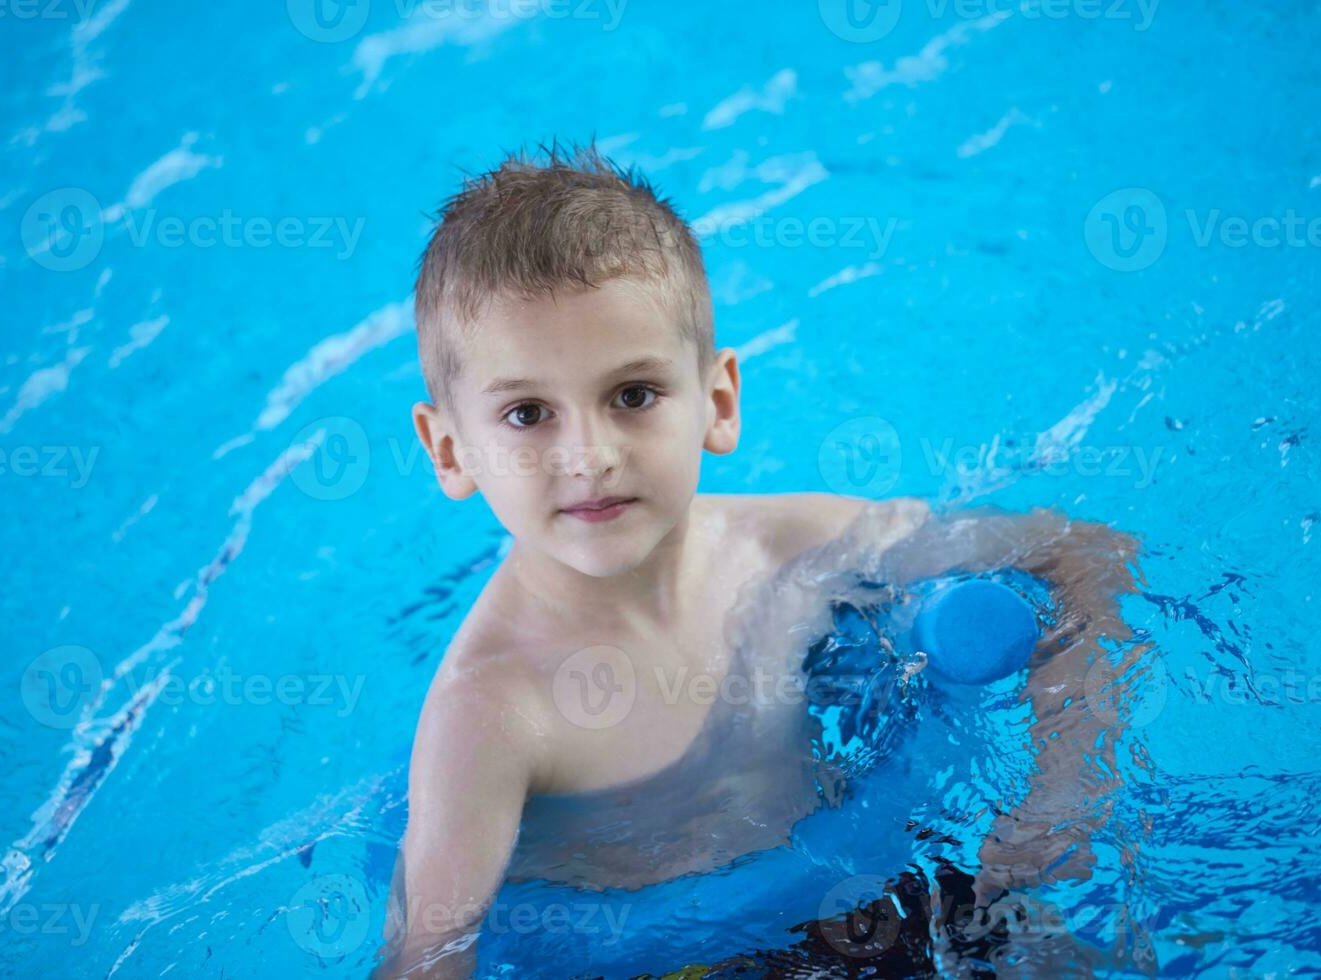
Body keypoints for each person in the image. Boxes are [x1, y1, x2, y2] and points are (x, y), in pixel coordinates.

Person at [372, 141, 1145, 978]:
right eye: (527, 414)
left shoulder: (793, 549)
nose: (587, 455)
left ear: (717, 400)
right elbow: (426, 957)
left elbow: (1079, 553)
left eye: (632, 396)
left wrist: (1065, 791)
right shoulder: (491, 709)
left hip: (878, 896)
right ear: (449, 451)